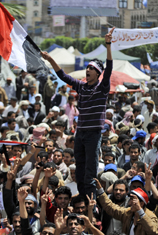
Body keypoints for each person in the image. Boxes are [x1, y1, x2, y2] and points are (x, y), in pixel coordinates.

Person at [41, 28, 114, 198]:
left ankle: (90, 200)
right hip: (80, 132)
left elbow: (109, 68)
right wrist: (50, 59)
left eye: (91, 68)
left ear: (98, 72)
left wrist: (108, 45)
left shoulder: (102, 88)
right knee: (79, 167)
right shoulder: (82, 86)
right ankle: (81, 197)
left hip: (93, 134)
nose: (87, 69)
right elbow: (63, 76)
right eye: (87, 67)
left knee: (90, 169)